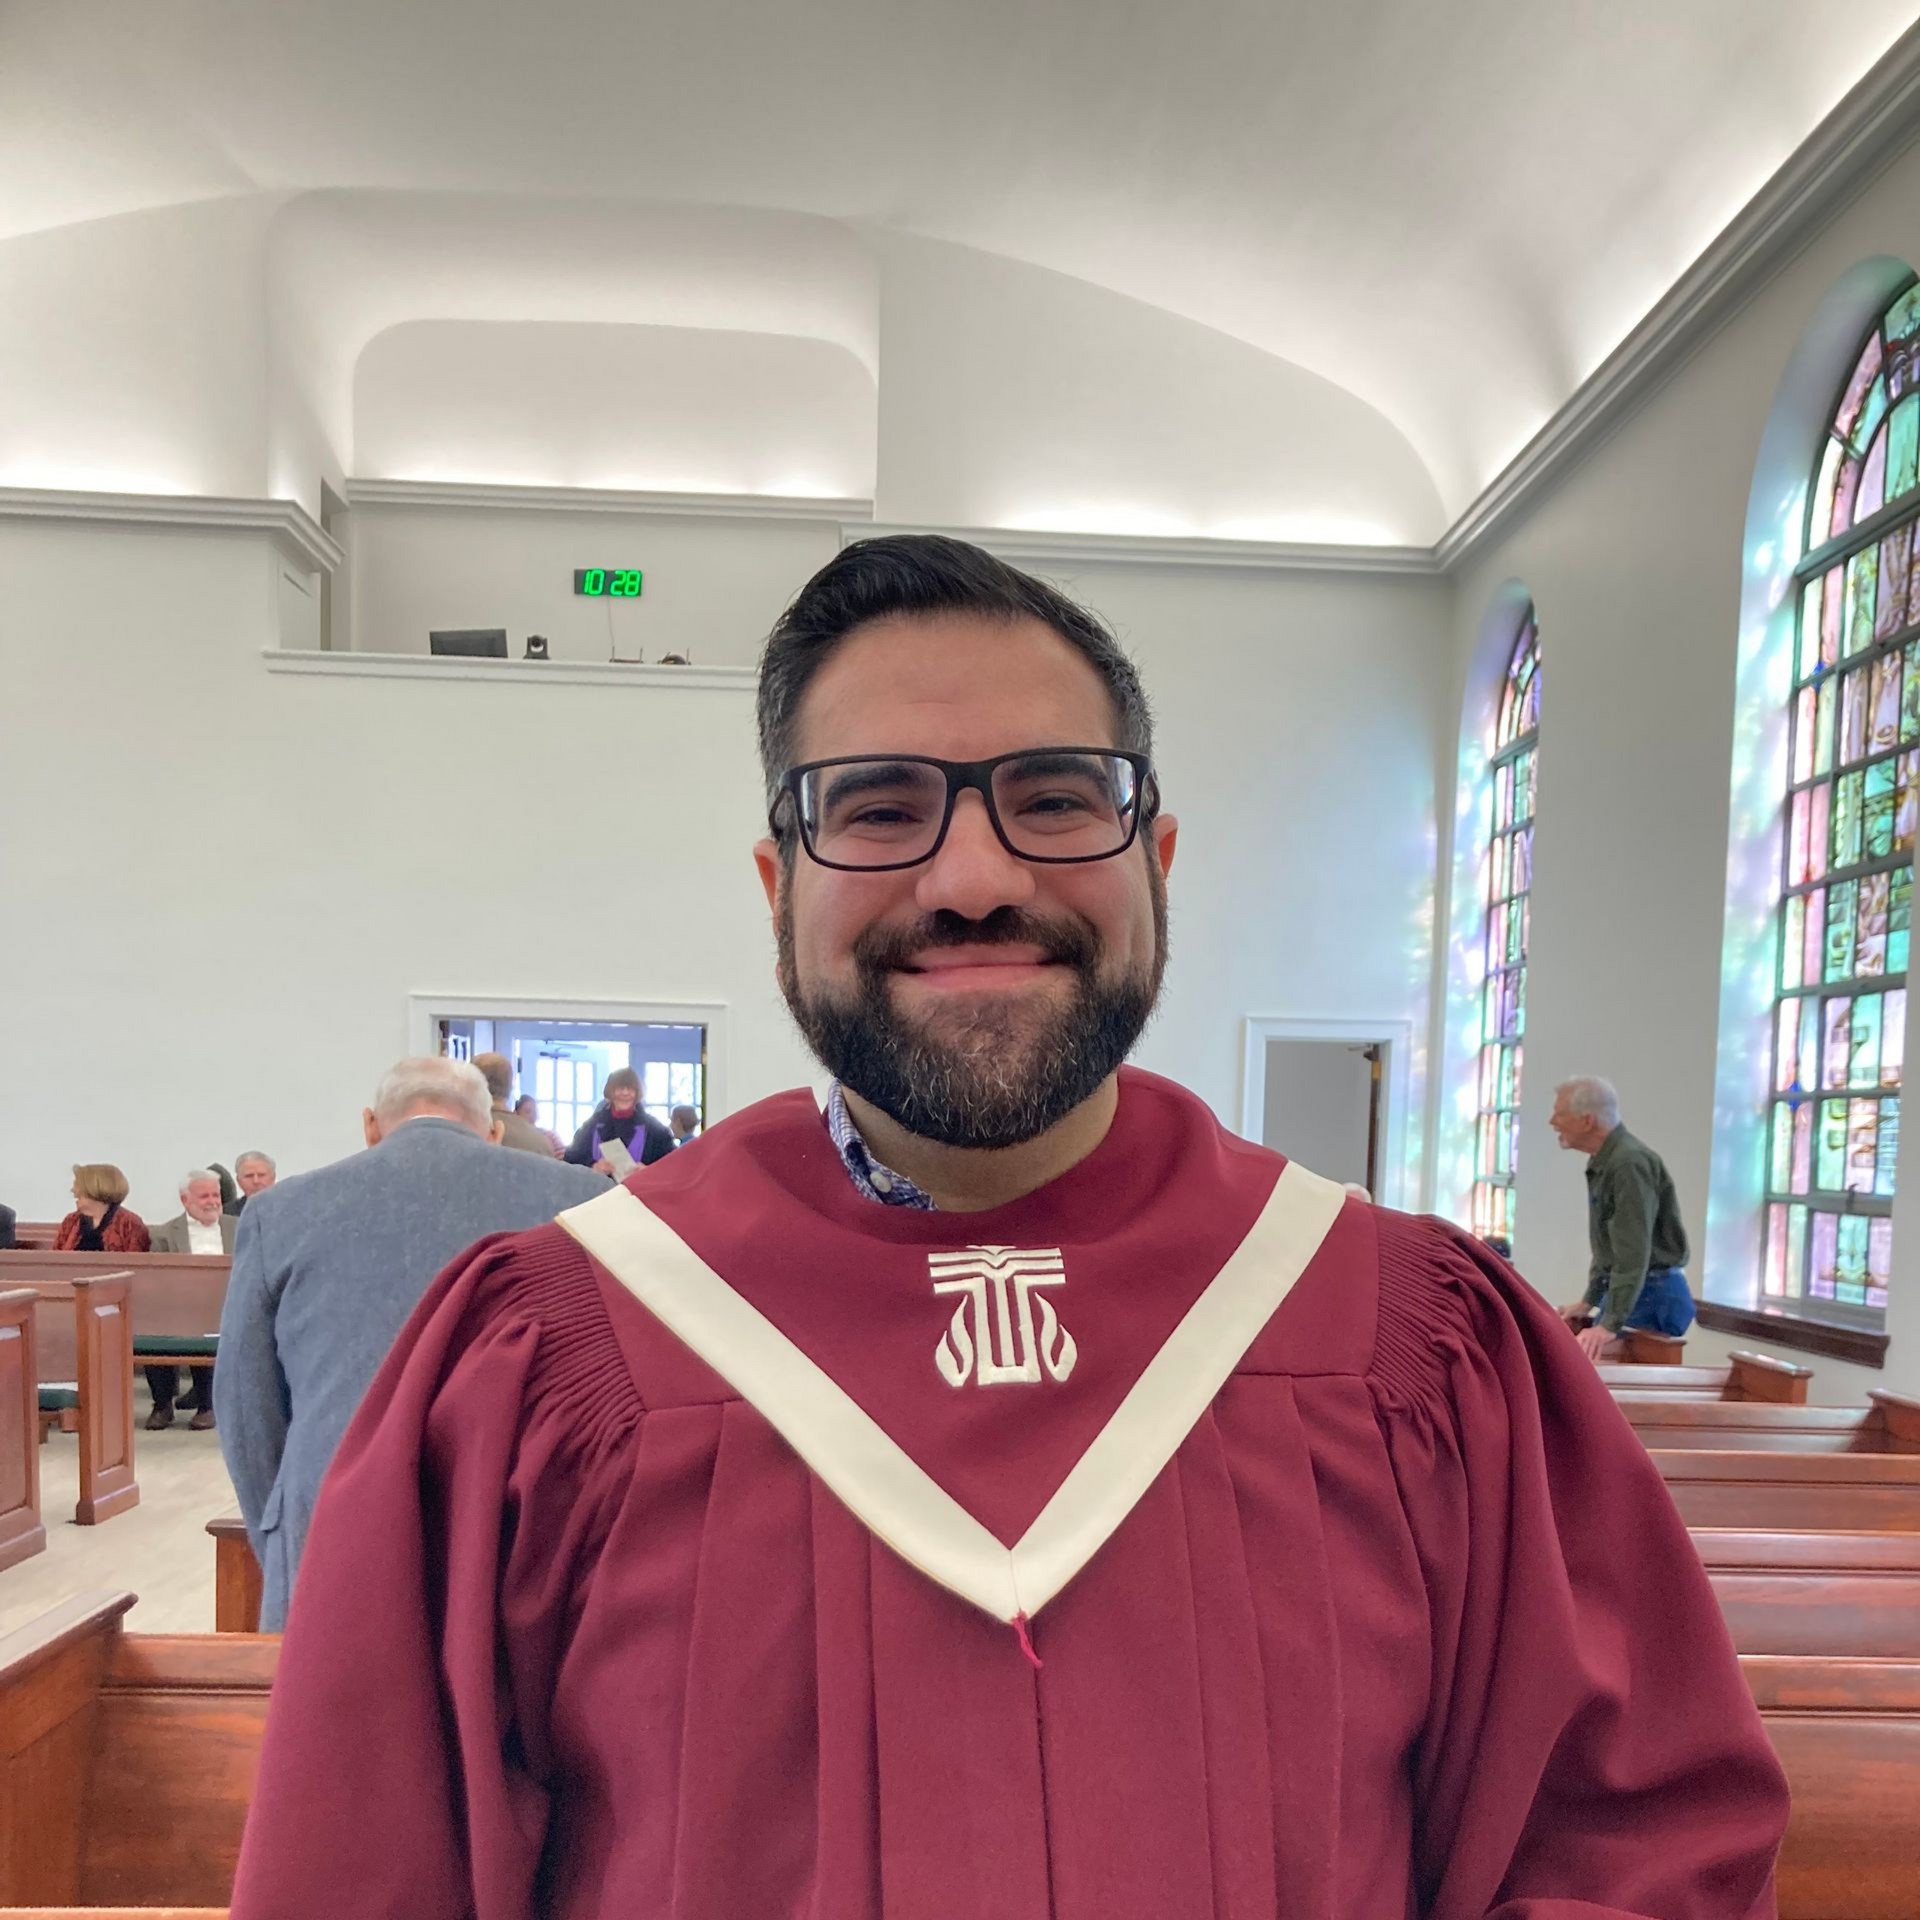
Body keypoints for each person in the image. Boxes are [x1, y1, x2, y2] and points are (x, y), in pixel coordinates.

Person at [230, 536, 1785, 1919]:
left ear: (1154, 867)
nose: (972, 878)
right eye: (879, 809)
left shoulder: (1412, 1342)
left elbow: (1629, 1848)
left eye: (1054, 799)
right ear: (779, 888)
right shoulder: (553, 1351)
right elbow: (363, 1870)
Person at [215, 1057, 610, 1630]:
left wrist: (283, 1524)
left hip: (335, 1522)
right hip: (528, 1527)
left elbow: (246, 1406)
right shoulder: (583, 1198)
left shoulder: (278, 1212)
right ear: (494, 1129)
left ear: (371, 1125)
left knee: (337, 1714)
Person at [1550, 1075, 1696, 1362]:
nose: (1552, 1121)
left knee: (1597, 1372)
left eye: (1560, 1113)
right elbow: (1609, 1246)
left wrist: (1609, 1323)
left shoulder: (1628, 1163)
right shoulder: (1608, 1158)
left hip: (1652, 1295)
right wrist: (1589, 1300)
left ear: (1587, 1121)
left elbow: (1633, 1249)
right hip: (1638, 1291)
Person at [147, 1169, 236, 1429]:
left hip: (227, 1305)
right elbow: (158, 1280)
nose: (212, 1201)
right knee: (156, 1327)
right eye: (204, 1196)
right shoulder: (164, 1234)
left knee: (213, 1325)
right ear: (185, 1200)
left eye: (216, 1195)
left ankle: (208, 1406)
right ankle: (162, 1405)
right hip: (178, 1306)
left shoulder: (238, 1227)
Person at [562, 1065, 675, 1172]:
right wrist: (593, 1166)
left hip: (639, 1190)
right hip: (598, 1189)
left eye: (630, 1089)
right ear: (610, 1092)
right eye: (619, 1088)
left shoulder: (656, 1130)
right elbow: (571, 1159)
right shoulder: (591, 1126)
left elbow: (673, 1164)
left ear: (637, 1093)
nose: (625, 1093)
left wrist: (649, 1171)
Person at [473, 1051, 559, 1157]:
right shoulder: (541, 1142)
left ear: (472, 1083)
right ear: (510, 1086)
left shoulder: (462, 1130)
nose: (534, 1116)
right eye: (528, 1111)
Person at [53, 1164, 148, 1254]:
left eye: (78, 1185)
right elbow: (55, 1258)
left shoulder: (129, 1223)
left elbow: (135, 1263)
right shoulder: (70, 1221)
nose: (73, 1190)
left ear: (94, 1188)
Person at [225, 1151, 277, 1216]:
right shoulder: (227, 1214)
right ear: (239, 1181)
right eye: (249, 1176)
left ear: (273, 1178)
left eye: (261, 1175)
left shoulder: (289, 1208)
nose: (256, 1181)